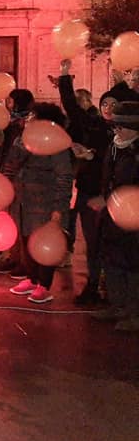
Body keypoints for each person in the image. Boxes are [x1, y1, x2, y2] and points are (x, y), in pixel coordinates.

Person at [57, 61, 137, 304]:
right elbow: (72, 107)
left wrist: (93, 156)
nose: (107, 108)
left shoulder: (129, 136)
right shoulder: (96, 126)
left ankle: (122, 302)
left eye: (113, 105)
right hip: (90, 192)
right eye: (104, 104)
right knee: (95, 244)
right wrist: (64, 77)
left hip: (120, 201)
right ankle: (96, 288)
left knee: (122, 250)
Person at [2, 103, 75, 304]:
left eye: (33, 116)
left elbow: (64, 177)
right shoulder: (21, 140)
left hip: (45, 203)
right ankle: (32, 278)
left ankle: (44, 285)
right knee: (27, 241)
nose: (28, 119)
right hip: (23, 201)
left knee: (45, 243)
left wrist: (59, 209)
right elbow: (10, 165)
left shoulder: (55, 143)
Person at [90, 100, 139, 331]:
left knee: (133, 264)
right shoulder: (114, 146)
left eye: (121, 126)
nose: (116, 130)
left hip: (133, 218)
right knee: (112, 260)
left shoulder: (135, 151)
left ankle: (133, 313)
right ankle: (117, 305)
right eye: (115, 126)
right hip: (112, 214)